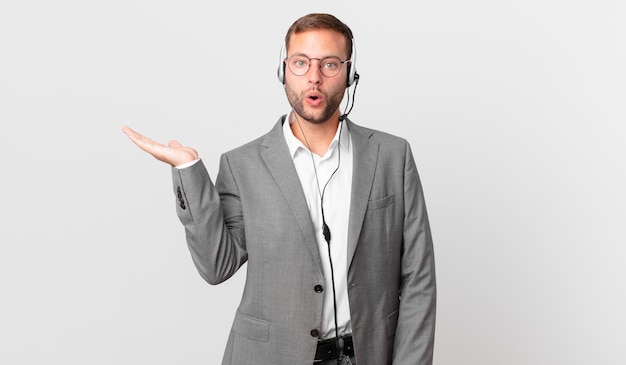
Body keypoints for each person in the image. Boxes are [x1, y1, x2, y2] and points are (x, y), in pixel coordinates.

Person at [123, 13, 436, 365]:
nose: (314, 77)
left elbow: (418, 278)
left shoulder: (393, 156)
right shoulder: (242, 165)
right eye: (301, 63)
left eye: (329, 64)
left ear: (350, 75)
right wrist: (188, 169)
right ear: (283, 71)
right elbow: (216, 266)